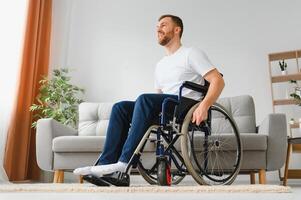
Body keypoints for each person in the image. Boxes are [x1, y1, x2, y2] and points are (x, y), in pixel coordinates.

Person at [73, 14, 225, 177]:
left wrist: (204, 106)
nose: (158, 28)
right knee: (121, 108)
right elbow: (157, 97)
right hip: (167, 106)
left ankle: (124, 162)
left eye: (163, 25)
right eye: (157, 26)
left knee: (144, 99)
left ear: (177, 29)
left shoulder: (191, 53)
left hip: (186, 106)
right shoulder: (160, 65)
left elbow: (218, 81)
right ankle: (107, 165)